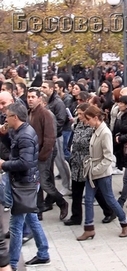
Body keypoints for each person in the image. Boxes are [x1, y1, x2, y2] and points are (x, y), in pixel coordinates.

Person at [0, 103, 50, 270]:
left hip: (24, 185)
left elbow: (25, 162)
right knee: (31, 218)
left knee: (16, 225)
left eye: (7, 116)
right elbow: (15, 150)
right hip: (24, 182)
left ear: (15, 117)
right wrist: (4, 135)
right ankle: (43, 253)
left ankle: (12, 264)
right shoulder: (19, 131)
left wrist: (4, 164)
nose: (5, 119)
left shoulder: (25, 135)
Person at [77, 105, 127, 240]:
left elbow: (108, 157)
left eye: (88, 119)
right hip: (93, 171)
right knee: (88, 200)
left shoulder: (105, 132)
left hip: (101, 173)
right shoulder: (96, 129)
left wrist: (95, 170)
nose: (86, 121)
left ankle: (125, 222)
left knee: (110, 199)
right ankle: (89, 228)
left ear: (96, 118)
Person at [64, 103, 115, 226]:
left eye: (82, 114)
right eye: (79, 114)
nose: (79, 116)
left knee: (96, 192)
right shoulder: (77, 124)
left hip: (88, 163)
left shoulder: (93, 127)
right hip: (76, 162)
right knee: (76, 191)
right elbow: (74, 139)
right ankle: (76, 217)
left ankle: (109, 211)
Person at [27, 88, 69, 221]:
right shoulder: (31, 113)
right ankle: (38, 210)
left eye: (33, 97)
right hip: (34, 153)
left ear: (40, 99)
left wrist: (43, 155)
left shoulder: (46, 113)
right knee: (36, 183)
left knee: (44, 183)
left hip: (44, 153)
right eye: (28, 97)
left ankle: (62, 202)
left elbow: (51, 137)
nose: (30, 99)